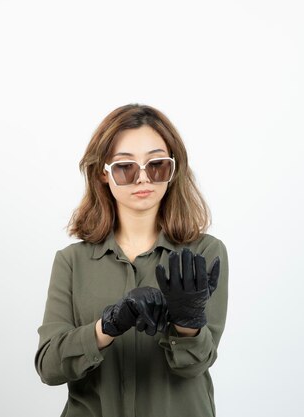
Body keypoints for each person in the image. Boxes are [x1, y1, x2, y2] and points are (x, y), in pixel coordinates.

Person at [35, 104, 229, 417]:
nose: (143, 179)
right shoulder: (72, 261)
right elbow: (49, 367)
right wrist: (107, 326)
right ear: (103, 173)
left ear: (173, 170)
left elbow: (195, 365)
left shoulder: (204, 254)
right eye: (126, 167)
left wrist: (187, 324)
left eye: (156, 165)